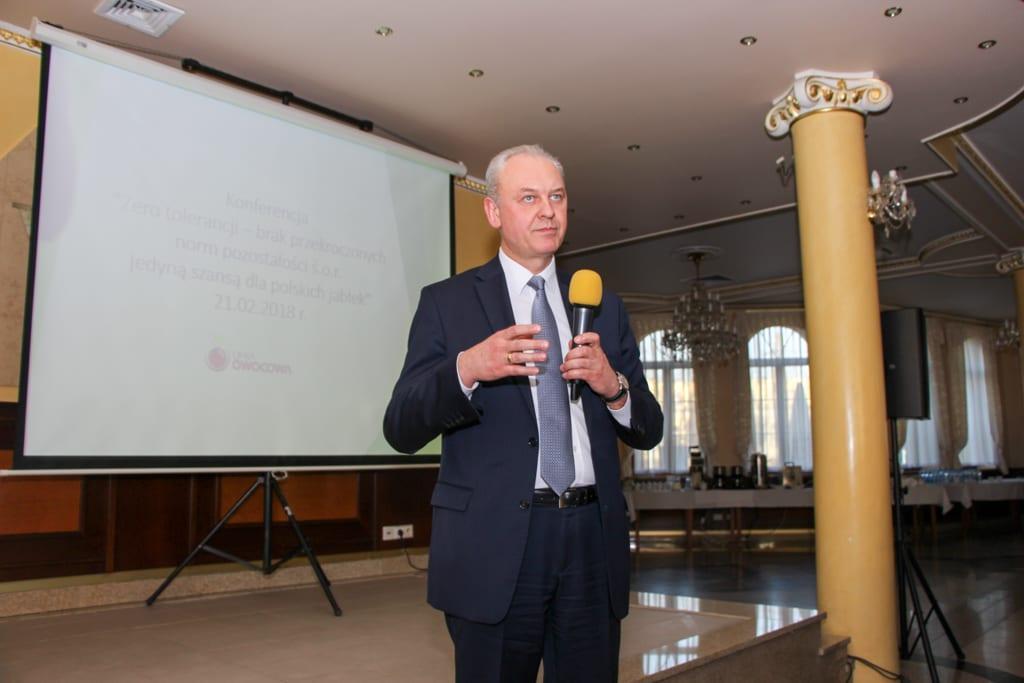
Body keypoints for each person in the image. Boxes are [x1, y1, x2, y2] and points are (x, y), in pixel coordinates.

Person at [383, 144, 663, 682]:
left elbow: (650, 428)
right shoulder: (448, 303)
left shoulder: (602, 305)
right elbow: (400, 427)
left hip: (591, 538)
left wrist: (613, 387)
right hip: (495, 542)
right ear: (494, 211)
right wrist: (468, 367)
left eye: (557, 197)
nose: (548, 211)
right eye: (529, 197)